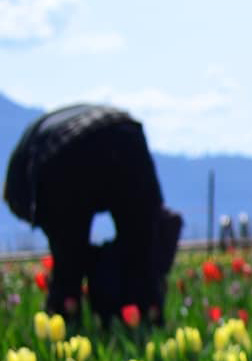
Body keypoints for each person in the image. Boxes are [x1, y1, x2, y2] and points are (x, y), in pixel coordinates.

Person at [4, 103, 180, 323]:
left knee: (68, 264)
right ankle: (142, 319)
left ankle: (69, 328)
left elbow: (62, 236)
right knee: (141, 249)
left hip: (67, 151)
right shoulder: (29, 151)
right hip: (126, 132)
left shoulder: (22, 181)